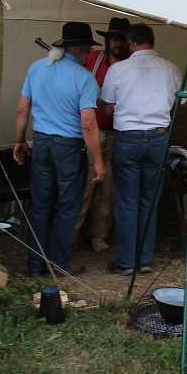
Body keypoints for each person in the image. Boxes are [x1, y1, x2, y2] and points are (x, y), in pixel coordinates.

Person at [13, 22, 105, 277]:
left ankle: (35, 264)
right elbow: (87, 124)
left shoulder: (36, 68)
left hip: (41, 142)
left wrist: (19, 140)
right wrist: (98, 162)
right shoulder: (85, 78)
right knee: (67, 205)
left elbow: (22, 109)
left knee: (40, 204)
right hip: (69, 146)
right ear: (83, 49)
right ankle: (57, 264)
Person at [99, 24, 181, 276]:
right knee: (149, 201)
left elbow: (107, 109)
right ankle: (144, 259)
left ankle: (126, 261)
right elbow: (180, 103)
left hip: (128, 138)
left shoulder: (118, 69)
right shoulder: (172, 69)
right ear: (152, 42)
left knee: (127, 201)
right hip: (158, 137)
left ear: (131, 43)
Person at [71, 17, 131, 254]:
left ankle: (98, 235)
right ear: (107, 40)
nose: (117, 43)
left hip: (118, 135)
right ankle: (71, 238)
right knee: (83, 188)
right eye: (114, 38)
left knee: (109, 190)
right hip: (91, 134)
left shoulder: (131, 67)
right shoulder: (93, 60)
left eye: (122, 39)